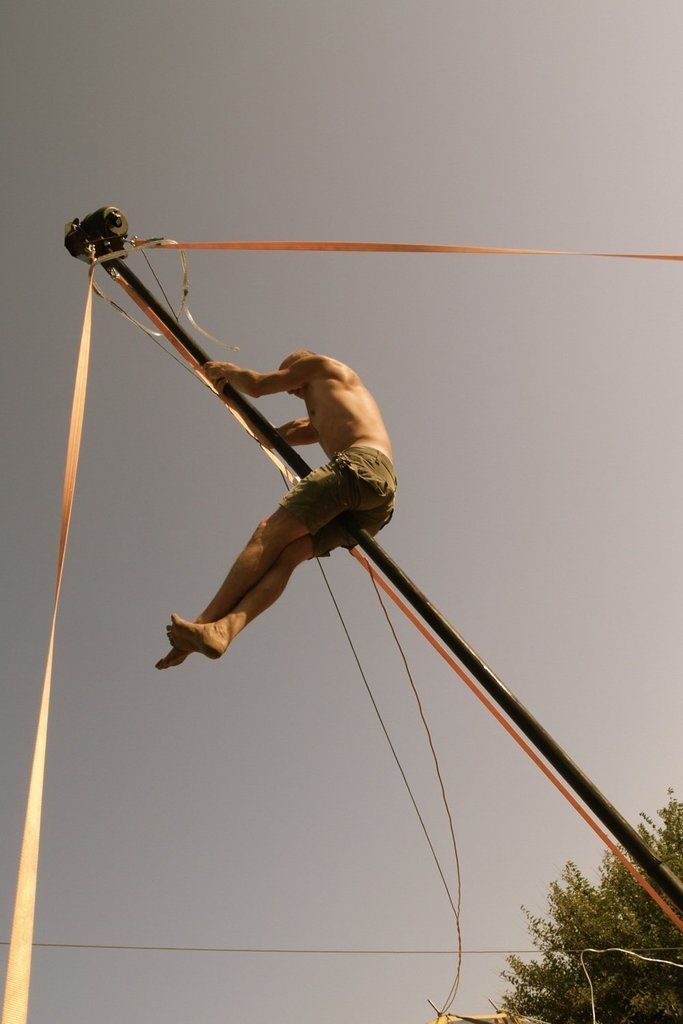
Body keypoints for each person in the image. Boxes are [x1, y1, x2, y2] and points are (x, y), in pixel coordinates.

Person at [155, 349, 396, 669]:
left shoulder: (323, 367)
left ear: (299, 366)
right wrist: (229, 396)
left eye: (290, 380)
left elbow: (255, 385)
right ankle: (223, 630)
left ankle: (205, 621)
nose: (291, 390)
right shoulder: (321, 417)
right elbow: (270, 437)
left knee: (268, 533)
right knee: (289, 554)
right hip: (374, 505)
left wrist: (225, 371)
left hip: (360, 467)